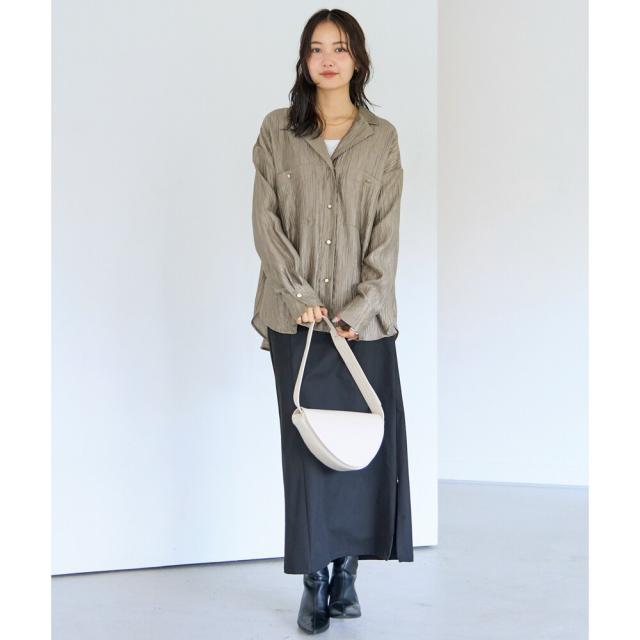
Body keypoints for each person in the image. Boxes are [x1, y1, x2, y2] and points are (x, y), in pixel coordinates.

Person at [250, 8, 414, 635]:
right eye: (316, 48)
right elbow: (265, 222)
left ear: (358, 60)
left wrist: (359, 307)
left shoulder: (382, 138)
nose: (328, 59)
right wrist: (297, 295)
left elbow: (386, 237)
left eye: (340, 48)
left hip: (362, 325)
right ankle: (314, 581)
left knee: (363, 449)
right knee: (308, 451)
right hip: (295, 322)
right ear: (304, 59)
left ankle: (348, 573)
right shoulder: (277, 130)